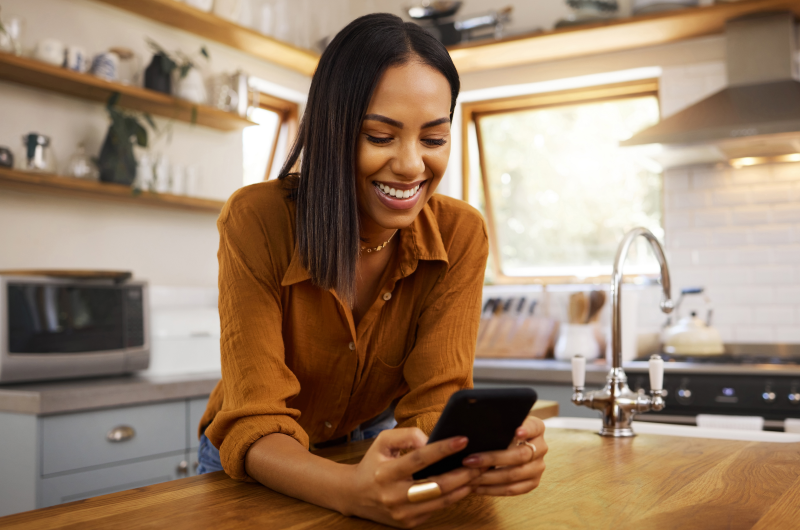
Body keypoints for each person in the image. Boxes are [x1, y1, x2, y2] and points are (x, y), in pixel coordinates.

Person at [197, 12, 547, 528]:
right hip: (256, 465)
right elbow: (255, 416)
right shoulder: (257, 220)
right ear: (331, 131)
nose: (411, 165)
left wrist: (480, 460)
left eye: (433, 140)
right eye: (380, 137)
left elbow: (435, 402)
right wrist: (348, 490)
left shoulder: (461, 234)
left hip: (369, 456)